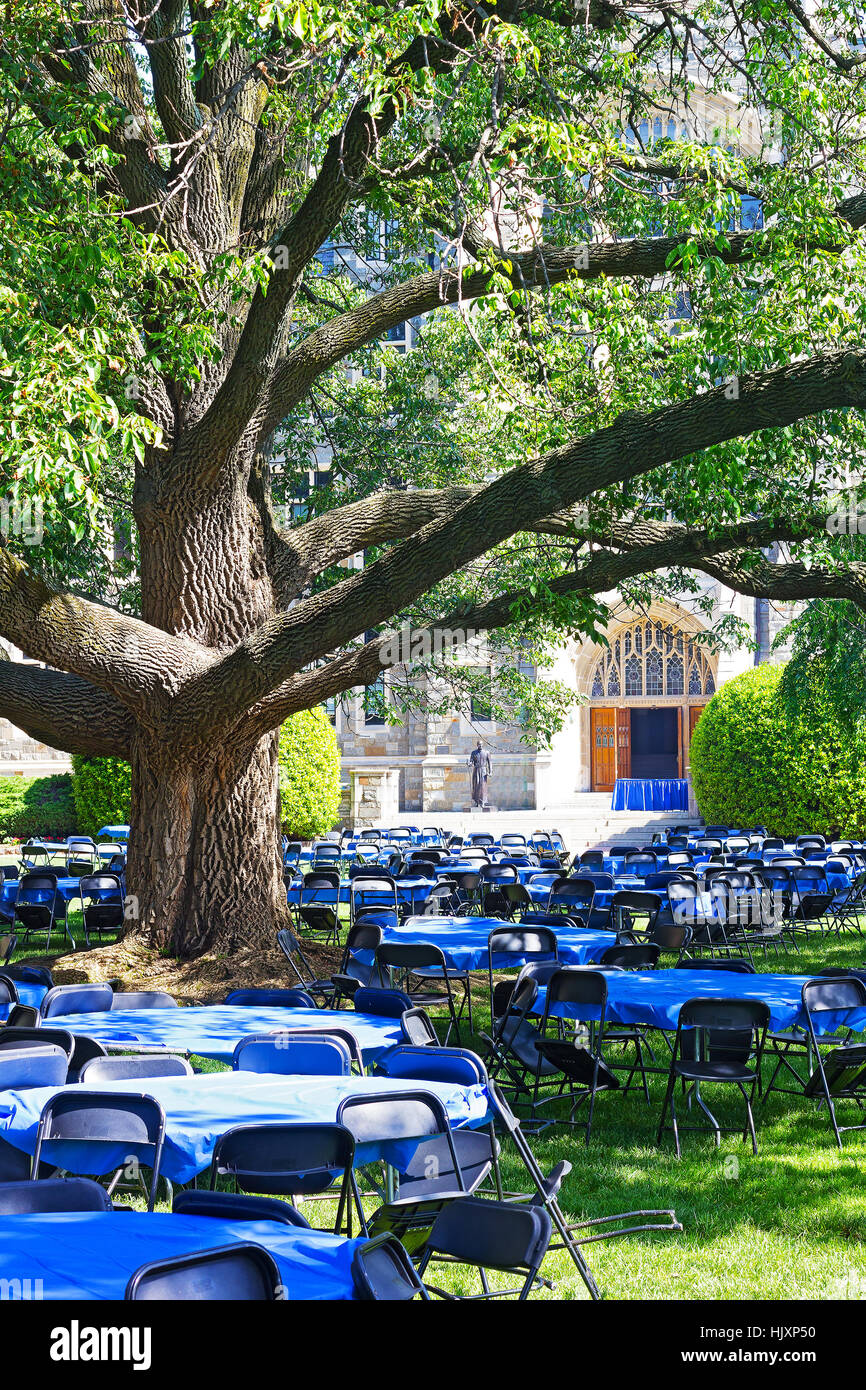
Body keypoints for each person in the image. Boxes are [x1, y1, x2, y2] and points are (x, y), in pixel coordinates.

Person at [468, 741, 491, 807]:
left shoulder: (487, 752)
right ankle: (477, 801)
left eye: (481, 744)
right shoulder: (473, 753)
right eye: (478, 744)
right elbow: (471, 762)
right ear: (477, 745)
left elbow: (490, 763)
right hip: (476, 770)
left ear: (483, 744)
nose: (480, 745)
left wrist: (490, 771)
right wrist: (469, 764)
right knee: (476, 786)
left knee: (483, 786)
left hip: (483, 771)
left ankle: (483, 801)